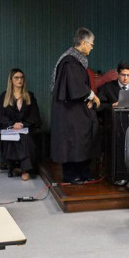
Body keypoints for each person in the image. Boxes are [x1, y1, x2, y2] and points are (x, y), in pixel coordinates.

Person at [50, 28, 101, 184]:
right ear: (83, 42)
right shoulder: (69, 61)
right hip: (68, 112)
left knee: (84, 139)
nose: (92, 48)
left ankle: (84, 173)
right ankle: (71, 176)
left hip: (76, 109)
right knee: (71, 142)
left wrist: (88, 98)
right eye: (91, 44)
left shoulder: (76, 60)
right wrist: (92, 96)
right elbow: (75, 86)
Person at [0, 69, 42, 181]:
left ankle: (25, 170)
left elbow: (34, 116)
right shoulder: (4, 97)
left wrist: (22, 124)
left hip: (25, 129)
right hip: (8, 129)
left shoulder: (29, 96)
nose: (20, 80)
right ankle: (15, 166)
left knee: (25, 137)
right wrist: (12, 124)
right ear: (11, 80)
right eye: (16, 78)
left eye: (21, 77)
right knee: (14, 137)